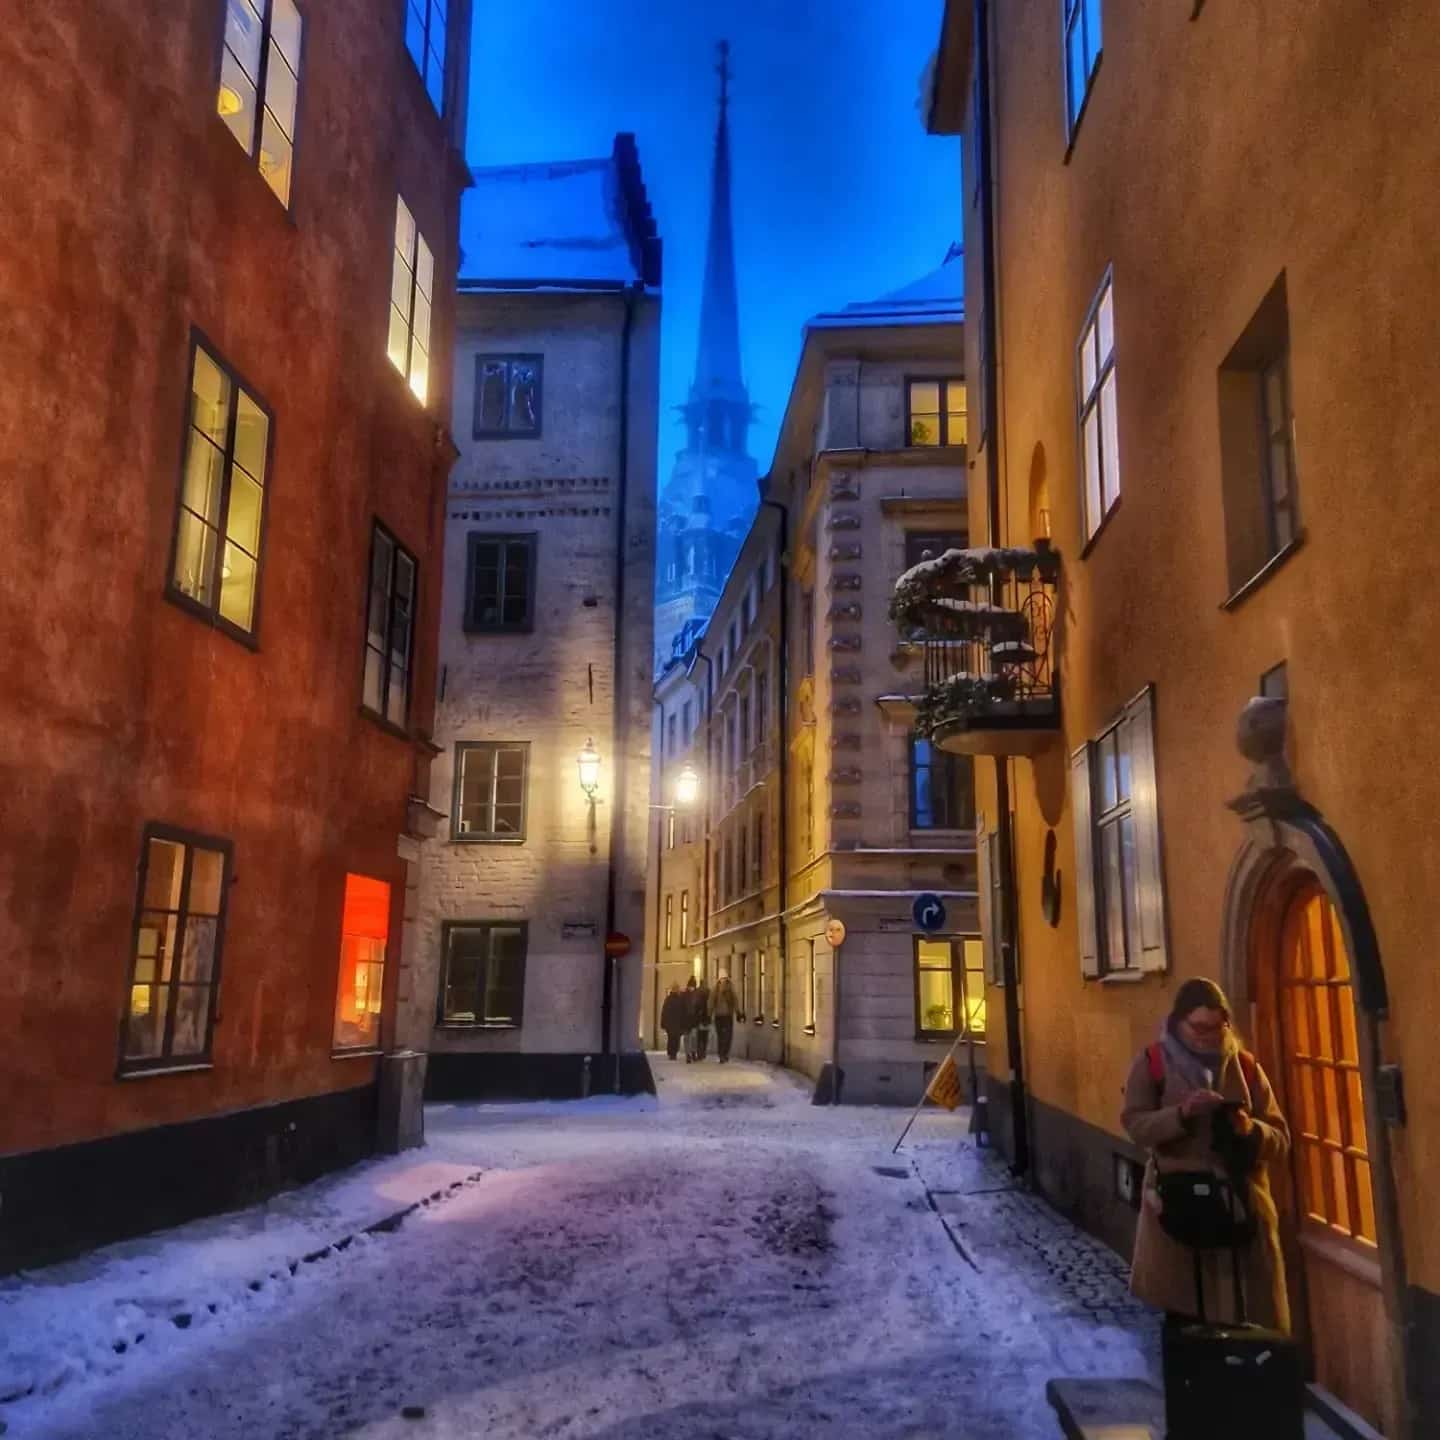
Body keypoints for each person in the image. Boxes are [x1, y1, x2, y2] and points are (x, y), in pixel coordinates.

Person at [1121, 977, 1291, 1332]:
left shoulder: (1245, 1067)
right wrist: (1181, 1115)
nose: (1207, 1035)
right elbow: (1136, 1125)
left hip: (1239, 1213)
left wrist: (1250, 1128)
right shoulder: (1152, 1062)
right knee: (1186, 1323)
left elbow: (1280, 1138)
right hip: (1180, 1212)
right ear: (1179, 1022)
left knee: (1245, 1326)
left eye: (1217, 1027)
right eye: (1199, 1027)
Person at [711, 972, 739, 1062]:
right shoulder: (729, 987)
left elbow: (711, 1001)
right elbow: (735, 999)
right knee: (727, 1036)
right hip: (726, 1015)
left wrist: (709, 1013)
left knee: (721, 1036)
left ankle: (722, 1054)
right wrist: (738, 1011)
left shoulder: (716, 988)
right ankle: (724, 1054)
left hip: (720, 1016)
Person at [660, 982, 686, 1061]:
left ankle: (671, 1053)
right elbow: (683, 1012)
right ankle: (673, 1053)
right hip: (677, 1023)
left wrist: (663, 1023)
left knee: (671, 1038)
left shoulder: (668, 999)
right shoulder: (680, 999)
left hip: (670, 1023)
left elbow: (664, 1012)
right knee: (676, 1038)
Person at [690, 976, 712, 1062]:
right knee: (704, 1037)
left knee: (699, 1037)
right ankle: (703, 1053)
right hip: (706, 1017)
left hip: (699, 1018)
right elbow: (710, 1005)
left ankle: (700, 1053)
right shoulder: (709, 992)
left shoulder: (697, 992)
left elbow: (695, 1005)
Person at [682, 976, 701, 1063]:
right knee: (687, 1038)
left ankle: (692, 1052)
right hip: (687, 1019)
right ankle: (688, 1054)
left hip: (693, 1019)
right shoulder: (684, 995)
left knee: (693, 1037)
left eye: (693, 986)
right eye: (690, 986)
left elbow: (699, 1007)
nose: (691, 988)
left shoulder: (697, 995)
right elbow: (681, 1008)